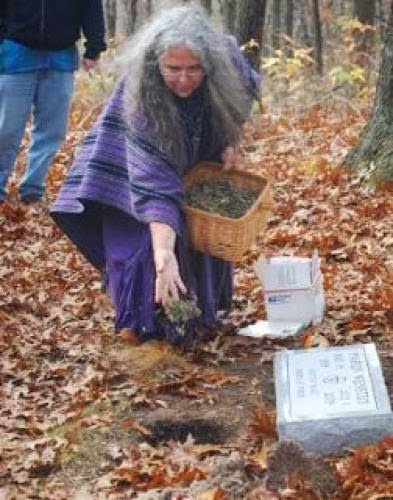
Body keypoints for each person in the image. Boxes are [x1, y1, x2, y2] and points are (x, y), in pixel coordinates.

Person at [51, 5, 260, 346]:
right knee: (140, 242)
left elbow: (244, 92)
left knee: (197, 228)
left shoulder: (227, 61)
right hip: (125, 161)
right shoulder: (140, 98)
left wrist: (229, 138)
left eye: (195, 69)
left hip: (193, 152)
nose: (183, 78)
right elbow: (155, 188)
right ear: (155, 64)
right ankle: (137, 321)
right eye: (173, 68)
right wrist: (163, 256)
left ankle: (194, 314)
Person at [0, 0, 106, 203]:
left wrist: (94, 46)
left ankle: (32, 190)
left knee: (52, 131)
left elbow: (91, 6)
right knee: (7, 129)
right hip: (16, 52)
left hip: (61, 55)